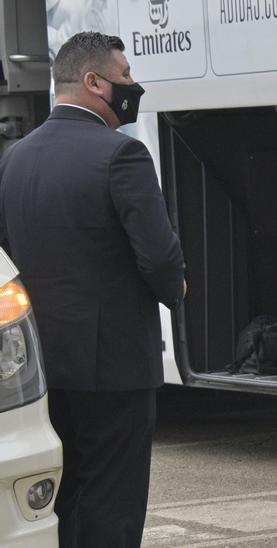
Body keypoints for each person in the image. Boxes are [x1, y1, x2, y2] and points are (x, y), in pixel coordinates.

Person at [0, 32, 185, 547]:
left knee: (64, 492)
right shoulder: (121, 155)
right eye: (124, 75)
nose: (132, 85)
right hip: (115, 365)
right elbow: (160, 255)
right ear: (93, 82)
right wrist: (177, 288)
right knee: (114, 497)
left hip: (41, 365)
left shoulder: (15, 159)